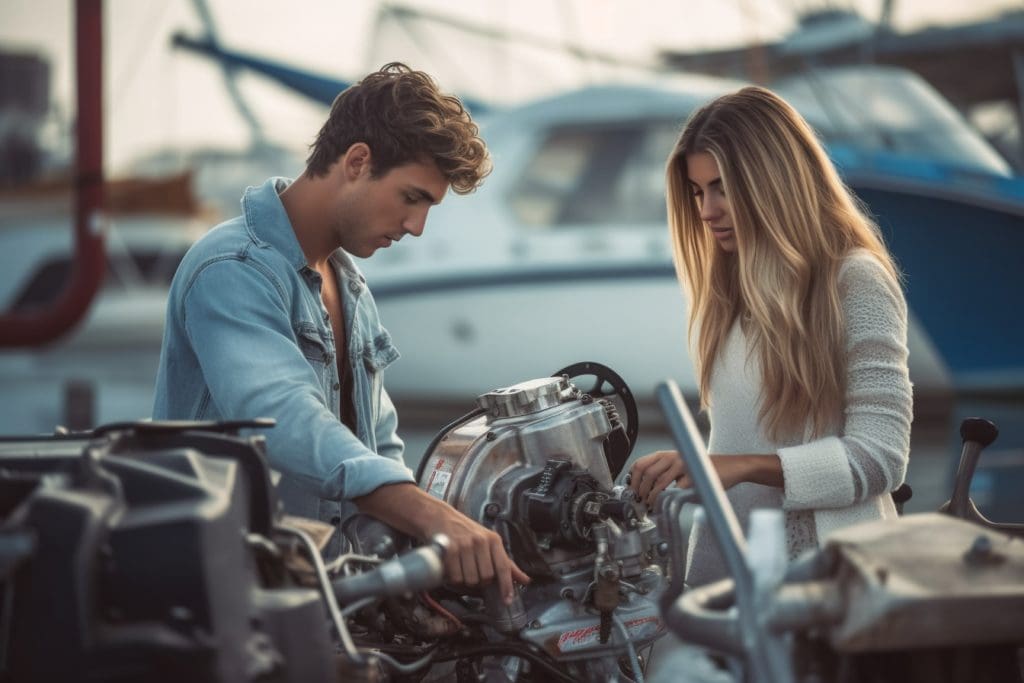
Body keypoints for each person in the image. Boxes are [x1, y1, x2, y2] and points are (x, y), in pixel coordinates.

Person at [153, 63, 528, 602]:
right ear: (357, 162)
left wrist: (435, 548)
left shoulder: (350, 287)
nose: (417, 226)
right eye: (412, 197)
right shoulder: (231, 267)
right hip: (223, 603)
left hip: (329, 600)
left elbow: (380, 444)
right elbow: (282, 413)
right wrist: (430, 517)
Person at [629, 86, 912, 586]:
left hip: (828, 588)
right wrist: (694, 466)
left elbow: (881, 459)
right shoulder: (728, 291)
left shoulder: (854, 279)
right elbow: (739, 441)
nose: (706, 210)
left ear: (773, 182)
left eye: (722, 187)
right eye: (697, 192)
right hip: (731, 585)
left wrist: (738, 467)